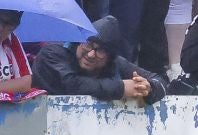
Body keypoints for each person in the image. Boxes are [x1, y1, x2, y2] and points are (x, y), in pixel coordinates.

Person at [32, 18, 161, 103]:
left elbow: (159, 81)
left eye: (101, 51)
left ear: (110, 57)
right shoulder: (52, 53)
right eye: (88, 44)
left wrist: (147, 88)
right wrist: (121, 88)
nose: (91, 54)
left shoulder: (116, 63)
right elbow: (73, 85)